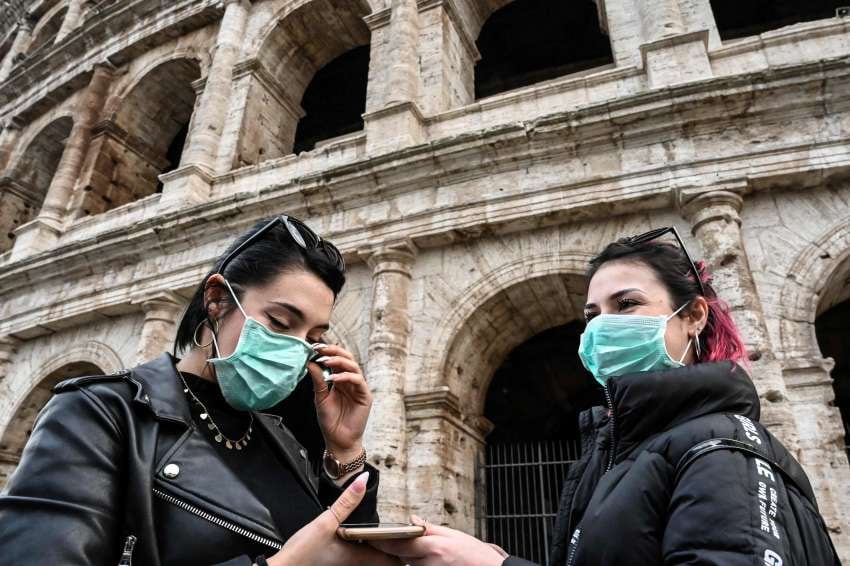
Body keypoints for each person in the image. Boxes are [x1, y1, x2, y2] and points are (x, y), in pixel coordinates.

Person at [371, 226, 840, 566]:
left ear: (694, 315)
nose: (601, 327)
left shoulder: (719, 449)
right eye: (592, 313)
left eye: (627, 304)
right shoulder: (622, 450)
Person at [0, 215, 400, 566]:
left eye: (312, 337)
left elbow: (347, 554)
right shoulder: (101, 414)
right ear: (216, 300)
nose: (296, 348)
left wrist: (346, 450)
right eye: (279, 322)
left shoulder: (284, 438)